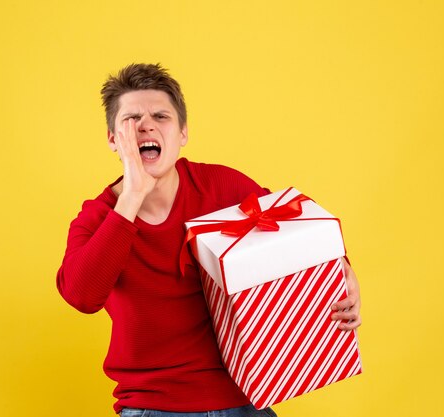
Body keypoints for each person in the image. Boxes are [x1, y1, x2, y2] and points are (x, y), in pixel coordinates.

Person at [56, 63, 362, 416]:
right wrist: (131, 197)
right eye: (131, 120)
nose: (146, 125)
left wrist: (344, 271)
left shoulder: (221, 187)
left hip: (244, 398)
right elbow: (81, 295)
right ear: (113, 139)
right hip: (153, 405)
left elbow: (291, 228)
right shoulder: (97, 217)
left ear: (183, 133)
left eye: (160, 116)